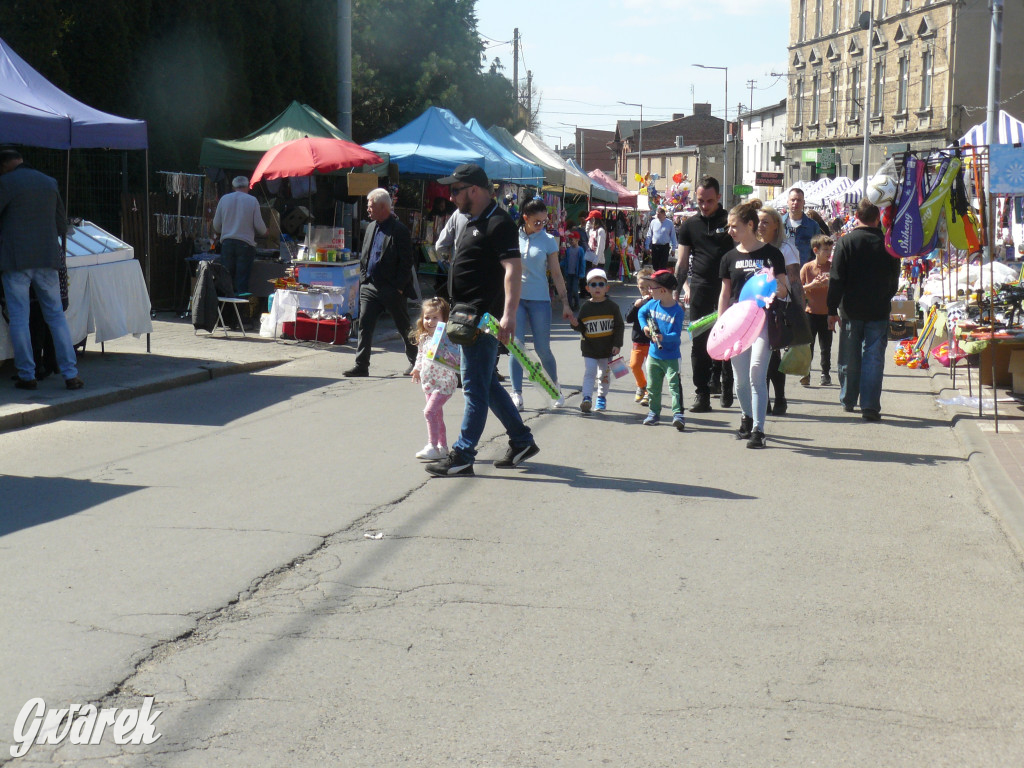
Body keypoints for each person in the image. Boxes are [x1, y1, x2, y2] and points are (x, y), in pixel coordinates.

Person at [426, 163, 538, 477]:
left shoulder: (499, 222)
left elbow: (513, 271)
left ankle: (462, 454)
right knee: (485, 383)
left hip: (483, 318)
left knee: (474, 388)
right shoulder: (470, 218)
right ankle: (521, 440)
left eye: (456, 190)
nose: (451, 197)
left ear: (474, 189)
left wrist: (509, 316)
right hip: (466, 315)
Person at [0, 149, 83, 391]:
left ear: (4, 166)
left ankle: (27, 374)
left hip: (15, 260)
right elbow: (61, 224)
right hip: (47, 258)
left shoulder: (5, 182)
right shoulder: (49, 182)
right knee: (56, 317)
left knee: (19, 318)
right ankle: (70, 374)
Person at [718, 200, 789, 449]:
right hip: (737, 323)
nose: (730, 231)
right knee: (740, 379)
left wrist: (775, 286)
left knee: (756, 371)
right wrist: (721, 324)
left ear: (750, 225)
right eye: (729, 227)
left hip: (764, 321)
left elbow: (784, 289)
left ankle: (759, 430)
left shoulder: (771, 254)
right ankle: (746, 417)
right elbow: (725, 294)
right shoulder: (729, 257)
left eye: (734, 226)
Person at [827, 199, 900, 421]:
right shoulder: (889, 244)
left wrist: (831, 310)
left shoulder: (846, 242)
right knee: (873, 358)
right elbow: (894, 279)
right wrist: (885, 297)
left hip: (851, 309)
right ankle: (869, 405)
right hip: (878, 309)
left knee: (849, 357)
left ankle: (848, 398)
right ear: (878, 218)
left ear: (856, 217)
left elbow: (836, 278)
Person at [674, 176, 735, 412]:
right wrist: (676, 293)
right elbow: (681, 263)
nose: (704, 205)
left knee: (728, 338)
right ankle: (702, 394)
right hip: (700, 288)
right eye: (700, 200)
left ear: (718, 197)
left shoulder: (730, 221)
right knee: (699, 342)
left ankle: (725, 382)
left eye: (709, 201)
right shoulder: (689, 225)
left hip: (727, 288)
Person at [344, 188, 417, 377]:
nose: (368, 210)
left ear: (383, 207)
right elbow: (365, 255)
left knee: (404, 327)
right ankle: (361, 365)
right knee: (365, 325)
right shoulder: (370, 227)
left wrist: (399, 287)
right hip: (370, 286)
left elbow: (407, 261)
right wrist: (363, 279)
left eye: (371, 207)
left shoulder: (399, 230)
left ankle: (417, 361)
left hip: (391, 288)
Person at [510, 197, 572, 410]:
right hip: (515, 298)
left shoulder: (547, 240)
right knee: (516, 346)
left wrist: (565, 303)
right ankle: (516, 393)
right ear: (525, 218)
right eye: (537, 221)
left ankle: (555, 387)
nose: (541, 225)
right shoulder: (512, 237)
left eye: (544, 221)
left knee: (542, 348)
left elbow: (556, 273)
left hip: (539, 299)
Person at [757, 205, 803, 416]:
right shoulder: (752, 247)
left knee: (773, 354)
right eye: (757, 221)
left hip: (779, 307)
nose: (760, 226)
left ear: (777, 225)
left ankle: (780, 397)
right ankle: (763, 400)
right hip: (756, 307)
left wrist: (799, 314)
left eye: (766, 222)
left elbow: (794, 282)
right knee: (761, 356)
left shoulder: (786, 248)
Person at [410, 297, 459, 461]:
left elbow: (455, 355)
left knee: (429, 412)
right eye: (427, 317)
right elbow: (421, 355)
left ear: (444, 319)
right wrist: (416, 368)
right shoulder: (424, 338)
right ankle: (442, 447)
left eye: (435, 317)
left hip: (444, 383)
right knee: (437, 415)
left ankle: (432, 445)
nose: (430, 321)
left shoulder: (447, 337)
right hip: (429, 382)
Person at [570, 268, 624, 413]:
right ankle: (586, 397)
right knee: (590, 372)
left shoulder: (612, 307)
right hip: (590, 348)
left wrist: (617, 344)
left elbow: (619, 326)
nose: (597, 288)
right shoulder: (586, 307)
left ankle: (601, 397)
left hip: (607, 349)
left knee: (604, 375)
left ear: (607, 287)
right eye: (593, 285)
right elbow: (582, 327)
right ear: (587, 288)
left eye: (601, 284)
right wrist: (575, 324)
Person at [638, 270, 686, 431]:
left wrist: (662, 337)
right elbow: (641, 313)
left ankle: (678, 414)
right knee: (653, 386)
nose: (649, 290)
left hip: (671, 356)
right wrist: (645, 327)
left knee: (674, 386)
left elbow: (676, 335)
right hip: (654, 355)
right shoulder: (652, 304)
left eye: (652, 287)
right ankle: (653, 412)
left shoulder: (677, 311)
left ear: (663, 290)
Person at [212, 175, 267, 294]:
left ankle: (226, 310)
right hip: (245, 245)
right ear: (248, 187)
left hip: (227, 244)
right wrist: (267, 231)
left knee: (226, 280)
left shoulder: (224, 199)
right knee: (241, 281)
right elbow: (260, 228)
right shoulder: (252, 201)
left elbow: (216, 225)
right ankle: (241, 310)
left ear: (233, 187)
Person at [800, 234, 834, 386]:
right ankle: (805, 373)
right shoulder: (807, 268)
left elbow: (840, 287)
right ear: (816, 250)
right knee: (808, 346)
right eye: (825, 250)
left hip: (827, 313)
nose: (828, 253)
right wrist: (811, 285)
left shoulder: (832, 267)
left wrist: (830, 283)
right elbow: (798, 290)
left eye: (830, 249)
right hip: (810, 313)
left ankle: (825, 373)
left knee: (826, 346)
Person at [624, 266, 655, 406]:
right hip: (638, 342)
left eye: (648, 288)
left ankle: (649, 393)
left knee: (651, 368)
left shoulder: (655, 304)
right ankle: (642, 386)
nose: (645, 291)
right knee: (634, 365)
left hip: (651, 343)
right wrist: (635, 307)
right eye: (642, 287)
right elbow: (628, 319)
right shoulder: (638, 303)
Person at [781, 187, 825, 265]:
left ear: (803, 202)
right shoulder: (778, 224)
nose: (795, 203)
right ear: (787, 202)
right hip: (781, 270)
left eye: (799, 200)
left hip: (803, 271)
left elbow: (818, 251)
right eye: (793, 200)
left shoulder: (813, 226)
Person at [645, 206, 677, 271]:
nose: (657, 216)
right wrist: (647, 246)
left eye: (658, 214)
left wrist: (673, 249)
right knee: (655, 265)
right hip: (655, 246)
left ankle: (661, 279)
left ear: (663, 214)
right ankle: (656, 279)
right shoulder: (653, 222)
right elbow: (649, 235)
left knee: (663, 265)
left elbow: (673, 236)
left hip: (665, 247)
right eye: (657, 214)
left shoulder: (669, 223)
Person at [561, 230, 587, 310]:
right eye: (570, 239)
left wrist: (582, 273)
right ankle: (570, 305)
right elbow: (565, 260)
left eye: (572, 239)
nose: (571, 241)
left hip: (576, 274)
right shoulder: (568, 250)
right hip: (569, 273)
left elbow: (582, 263)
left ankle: (576, 304)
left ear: (577, 239)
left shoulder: (580, 250)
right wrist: (560, 264)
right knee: (568, 289)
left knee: (575, 290)